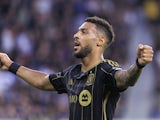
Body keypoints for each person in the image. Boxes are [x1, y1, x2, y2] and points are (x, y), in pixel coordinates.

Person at [0, 16, 153, 120]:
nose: (76, 35)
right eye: (77, 31)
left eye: (83, 31)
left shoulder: (106, 69)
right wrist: (10, 64)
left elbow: (126, 78)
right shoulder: (72, 73)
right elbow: (43, 81)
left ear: (100, 41)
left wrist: (139, 65)